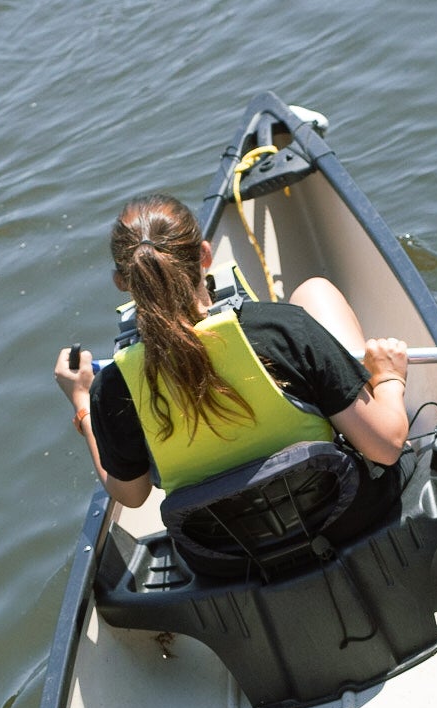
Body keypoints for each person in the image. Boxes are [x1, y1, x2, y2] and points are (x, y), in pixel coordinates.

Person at [53, 193, 412, 532]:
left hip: (225, 557)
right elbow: (387, 447)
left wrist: (84, 405)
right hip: (341, 513)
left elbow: (131, 496)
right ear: (205, 256)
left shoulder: (114, 387)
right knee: (314, 292)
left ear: (121, 282)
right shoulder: (281, 328)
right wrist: (389, 378)